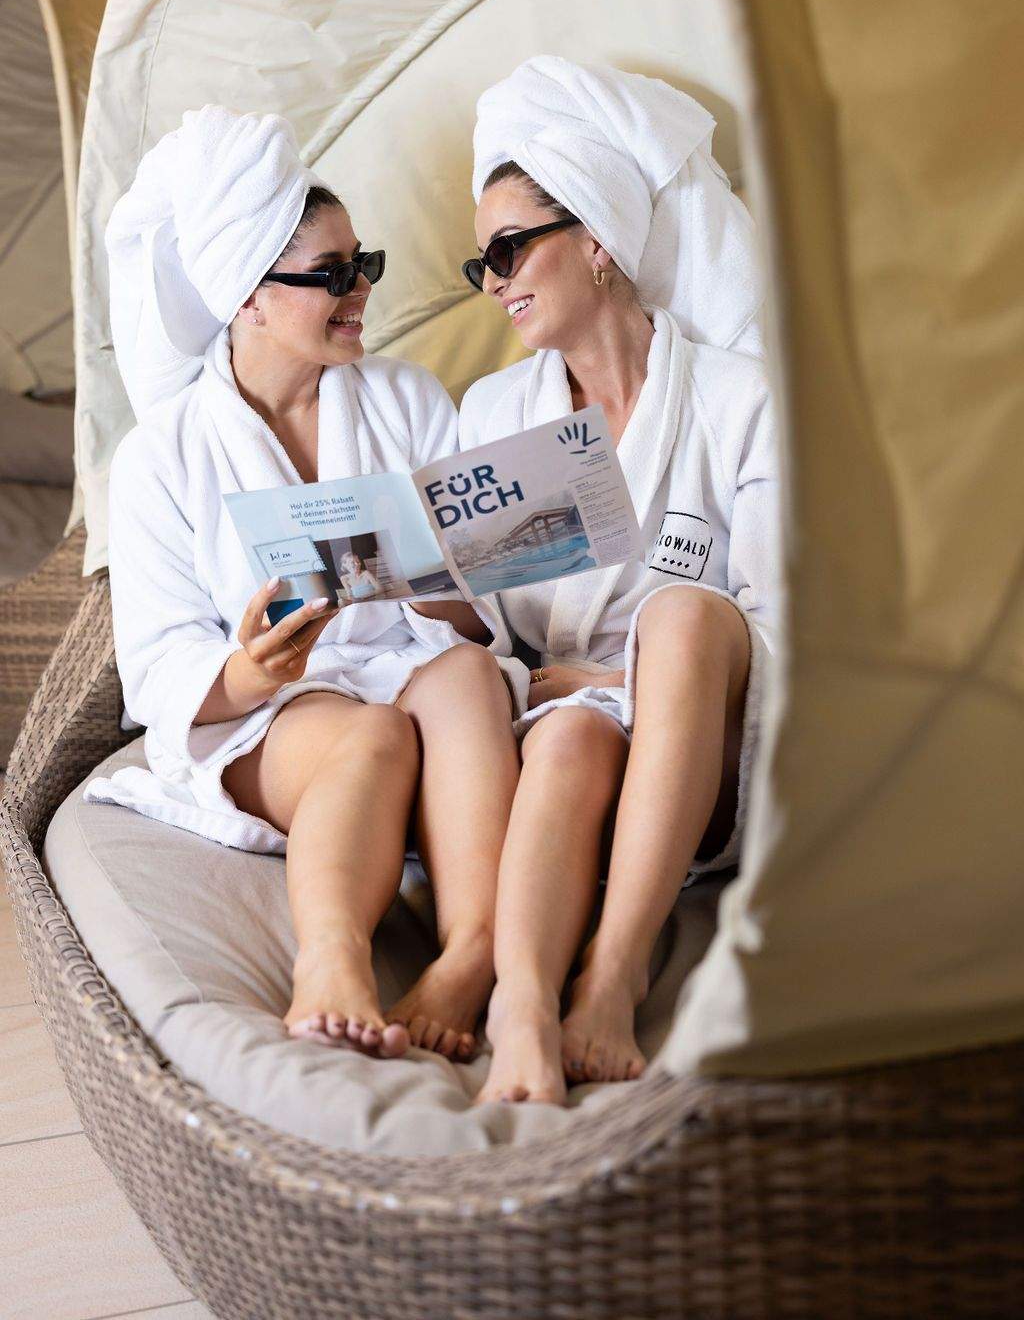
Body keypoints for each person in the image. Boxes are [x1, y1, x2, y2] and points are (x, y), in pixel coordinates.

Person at [86, 106, 528, 1065]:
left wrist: (442, 581)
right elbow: (158, 660)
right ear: (248, 296)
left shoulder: (408, 399)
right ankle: (333, 964)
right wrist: (252, 670)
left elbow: (475, 623)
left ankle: (473, 952)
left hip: (411, 663)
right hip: (274, 711)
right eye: (330, 277)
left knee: (464, 681)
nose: (360, 290)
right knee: (368, 733)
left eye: (360, 264)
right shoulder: (162, 458)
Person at [458, 57, 781, 1104]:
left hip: (712, 735)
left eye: (511, 247)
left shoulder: (738, 398)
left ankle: (615, 968)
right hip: (566, 727)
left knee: (685, 616)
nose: (496, 279)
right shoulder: (492, 417)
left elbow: (786, 620)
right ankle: (521, 1007)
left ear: (595, 237)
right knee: (569, 738)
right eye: (482, 264)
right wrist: (418, 591)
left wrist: (625, 677)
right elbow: (499, 645)